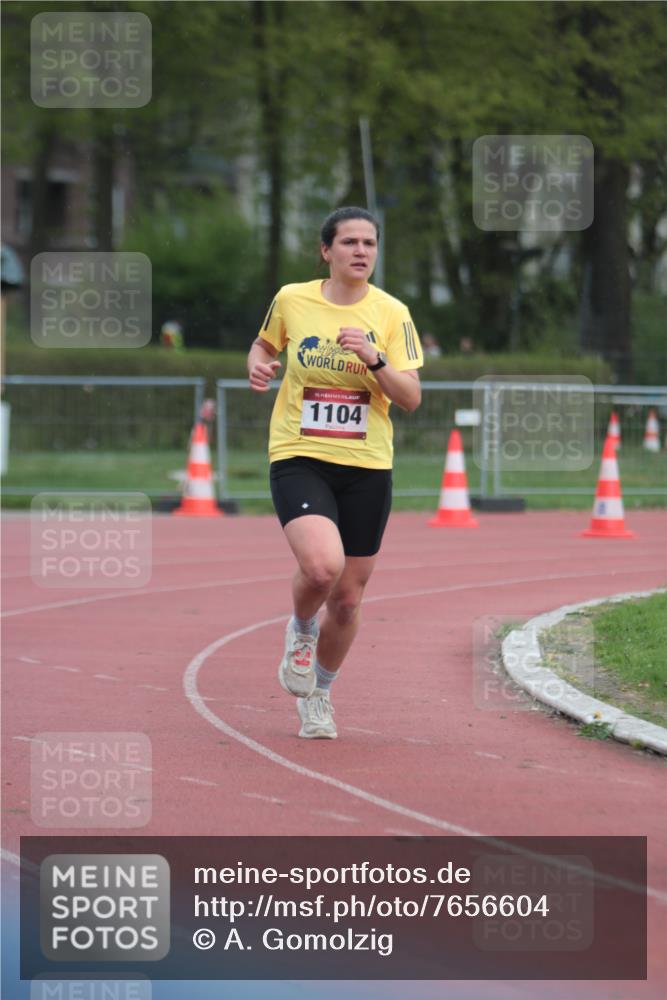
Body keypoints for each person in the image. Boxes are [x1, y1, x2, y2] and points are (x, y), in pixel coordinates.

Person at [247, 206, 423, 739]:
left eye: (369, 243)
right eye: (349, 242)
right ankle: (301, 631)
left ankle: (319, 694)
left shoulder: (393, 313)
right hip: (300, 453)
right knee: (322, 569)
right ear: (326, 251)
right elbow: (264, 344)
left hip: (367, 464)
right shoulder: (292, 298)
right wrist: (256, 363)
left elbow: (411, 398)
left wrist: (374, 358)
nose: (361, 252)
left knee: (347, 599)